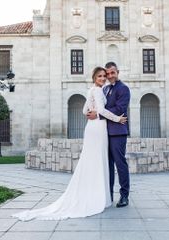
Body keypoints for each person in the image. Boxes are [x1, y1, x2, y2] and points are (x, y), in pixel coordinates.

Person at [12, 67, 127, 221]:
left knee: (95, 161)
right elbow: (99, 110)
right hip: (99, 128)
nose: (104, 78)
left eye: (105, 75)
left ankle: (108, 195)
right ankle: (101, 196)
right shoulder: (100, 90)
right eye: (101, 76)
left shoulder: (101, 89)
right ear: (94, 77)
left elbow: (85, 109)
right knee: (98, 162)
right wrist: (115, 118)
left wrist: (91, 114)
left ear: (117, 73)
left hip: (95, 128)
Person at [87, 62, 131, 208]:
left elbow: (120, 109)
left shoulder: (123, 89)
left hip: (118, 132)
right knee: (108, 166)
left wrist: (98, 114)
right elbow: (98, 106)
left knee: (120, 164)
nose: (110, 76)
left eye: (113, 73)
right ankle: (109, 195)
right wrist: (92, 112)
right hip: (104, 133)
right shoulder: (104, 89)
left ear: (117, 72)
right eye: (108, 74)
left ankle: (124, 195)